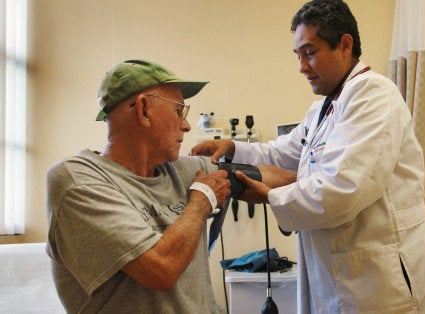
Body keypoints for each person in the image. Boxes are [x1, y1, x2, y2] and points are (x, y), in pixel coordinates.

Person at [190, 1, 425, 313]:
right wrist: (232, 148)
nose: (301, 66)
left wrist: (271, 197)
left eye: (309, 52)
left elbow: (343, 189)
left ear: (344, 44)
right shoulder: (323, 110)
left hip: (385, 284)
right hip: (343, 278)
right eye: (298, 56)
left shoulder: (374, 96)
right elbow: (280, 152)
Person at [45, 59, 294, 313]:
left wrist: (321, 181)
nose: (186, 125)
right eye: (179, 112)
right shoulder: (79, 181)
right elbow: (160, 269)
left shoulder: (183, 169)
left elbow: (268, 177)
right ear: (143, 110)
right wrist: (201, 199)